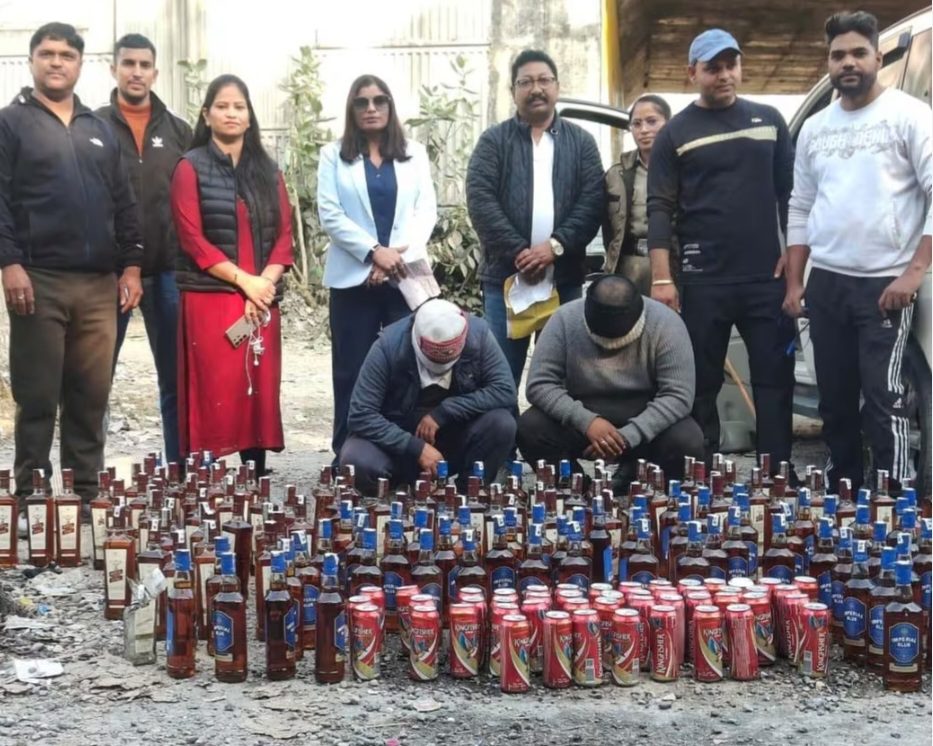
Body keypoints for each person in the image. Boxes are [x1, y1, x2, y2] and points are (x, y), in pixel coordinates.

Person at [784, 11, 932, 494]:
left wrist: (913, 273)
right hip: (827, 282)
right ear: (828, 62)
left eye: (858, 53)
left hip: (885, 284)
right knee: (835, 401)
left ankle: (896, 500)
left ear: (877, 57)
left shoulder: (911, 116)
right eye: (838, 55)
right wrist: (795, 281)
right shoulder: (815, 128)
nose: (848, 62)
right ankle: (843, 496)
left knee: (885, 399)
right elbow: (801, 204)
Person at [0, 23, 142, 509]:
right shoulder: (10, 123)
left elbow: (125, 202)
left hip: (99, 285)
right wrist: (9, 263)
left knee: (90, 395)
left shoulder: (99, 129)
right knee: (38, 395)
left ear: (80, 64)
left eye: (66, 54)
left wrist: (132, 266)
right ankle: (32, 499)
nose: (56, 62)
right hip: (37, 280)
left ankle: (85, 496)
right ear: (32, 61)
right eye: (47, 54)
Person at [646, 29, 797, 475]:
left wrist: (793, 257)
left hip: (766, 278)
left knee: (774, 380)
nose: (725, 75)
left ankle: (776, 474)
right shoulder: (675, 133)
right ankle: (702, 474)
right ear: (692, 73)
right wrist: (662, 278)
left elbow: (791, 196)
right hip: (703, 280)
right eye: (713, 68)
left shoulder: (770, 121)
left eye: (732, 65)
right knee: (700, 382)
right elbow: (660, 208)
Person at [170, 74, 293, 476]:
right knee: (217, 384)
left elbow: (284, 236)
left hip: (262, 297)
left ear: (250, 116)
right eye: (222, 106)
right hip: (213, 295)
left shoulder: (268, 171)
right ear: (206, 115)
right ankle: (207, 477)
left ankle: (254, 473)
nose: (231, 113)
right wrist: (246, 282)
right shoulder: (189, 167)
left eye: (239, 106)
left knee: (257, 383)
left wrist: (265, 284)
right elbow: (192, 239)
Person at [466, 49, 604, 389]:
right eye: (525, 82)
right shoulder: (493, 142)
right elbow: (481, 201)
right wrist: (520, 252)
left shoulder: (581, 143)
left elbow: (592, 202)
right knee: (500, 379)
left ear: (557, 86)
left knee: (561, 379)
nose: (536, 88)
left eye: (544, 80)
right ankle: (503, 426)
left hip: (563, 280)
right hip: (506, 280)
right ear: (513, 91)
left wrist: (554, 247)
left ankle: (551, 427)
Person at [318, 74, 438, 460]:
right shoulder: (332, 155)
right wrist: (373, 253)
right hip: (353, 280)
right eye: (362, 102)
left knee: (406, 367)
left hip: (405, 277)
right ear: (352, 109)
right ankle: (346, 453)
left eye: (379, 100)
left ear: (390, 106)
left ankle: (404, 451)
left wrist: (393, 259)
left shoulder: (414, 153)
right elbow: (330, 214)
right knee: (350, 369)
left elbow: (426, 212)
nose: (371, 108)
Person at [97, 33, 192, 465]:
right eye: (128, 63)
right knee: (95, 381)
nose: (136, 72)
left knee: (175, 380)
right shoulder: (92, 127)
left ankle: (180, 474)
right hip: (108, 274)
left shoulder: (179, 132)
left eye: (144, 65)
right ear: (113, 68)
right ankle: (89, 479)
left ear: (155, 72)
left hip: (168, 271)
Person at [517, 275, 703, 482]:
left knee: (687, 439)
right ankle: (576, 487)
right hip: (582, 422)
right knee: (530, 427)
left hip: (646, 421)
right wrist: (587, 422)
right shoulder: (565, 319)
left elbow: (678, 395)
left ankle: (646, 484)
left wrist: (628, 436)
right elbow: (539, 384)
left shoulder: (666, 324)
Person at [340, 298, 517, 492]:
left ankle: (468, 492)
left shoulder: (478, 335)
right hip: (398, 440)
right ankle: (397, 490)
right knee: (356, 460)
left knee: (502, 423)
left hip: (453, 437)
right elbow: (361, 414)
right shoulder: (388, 346)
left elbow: (505, 390)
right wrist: (415, 448)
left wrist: (445, 412)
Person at [603, 94, 673, 295]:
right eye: (636, 124)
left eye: (652, 122)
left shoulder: (684, 169)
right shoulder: (616, 174)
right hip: (628, 267)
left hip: (671, 267)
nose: (644, 130)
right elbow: (607, 227)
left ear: (669, 123)